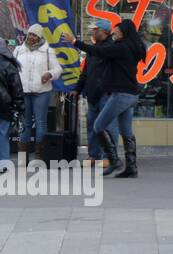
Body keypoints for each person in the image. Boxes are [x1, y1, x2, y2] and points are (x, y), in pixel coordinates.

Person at [64, 19, 147, 178]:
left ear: (123, 32)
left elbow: (99, 51)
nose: (113, 33)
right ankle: (131, 167)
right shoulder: (130, 47)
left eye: (116, 31)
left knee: (98, 126)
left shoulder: (120, 47)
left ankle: (114, 161)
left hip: (121, 94)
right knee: (126, 132)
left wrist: (74, 41)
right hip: (129, 94)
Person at [78, 21, 120, 175]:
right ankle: (94, 155)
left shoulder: (112, 48)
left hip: (106, 93)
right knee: (92, 125)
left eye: (95, 30)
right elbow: (85, 72)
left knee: (109, 126)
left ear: (103, 31)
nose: (93, 33)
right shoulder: (93, 50)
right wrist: (77, 89)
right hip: (93, 94)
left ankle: (110, 156)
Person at [16, 24, 61, 156]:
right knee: (25, 123)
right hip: (24, 92)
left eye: (34, 35)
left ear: (40, 37)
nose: (31, 37)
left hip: (42, 92)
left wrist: (49, 74)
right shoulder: (19, 50)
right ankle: (23, 157)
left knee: (41, 123)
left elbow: (58, 69)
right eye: (30, 34)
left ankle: (40, 155)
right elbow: (13, 68)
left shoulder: (48, 51)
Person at [0, 39, 22, 170]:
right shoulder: (9, 65)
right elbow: (17, 87)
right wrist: (19, 106)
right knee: (2, 133)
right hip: (5, 105)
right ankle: (3, 163)